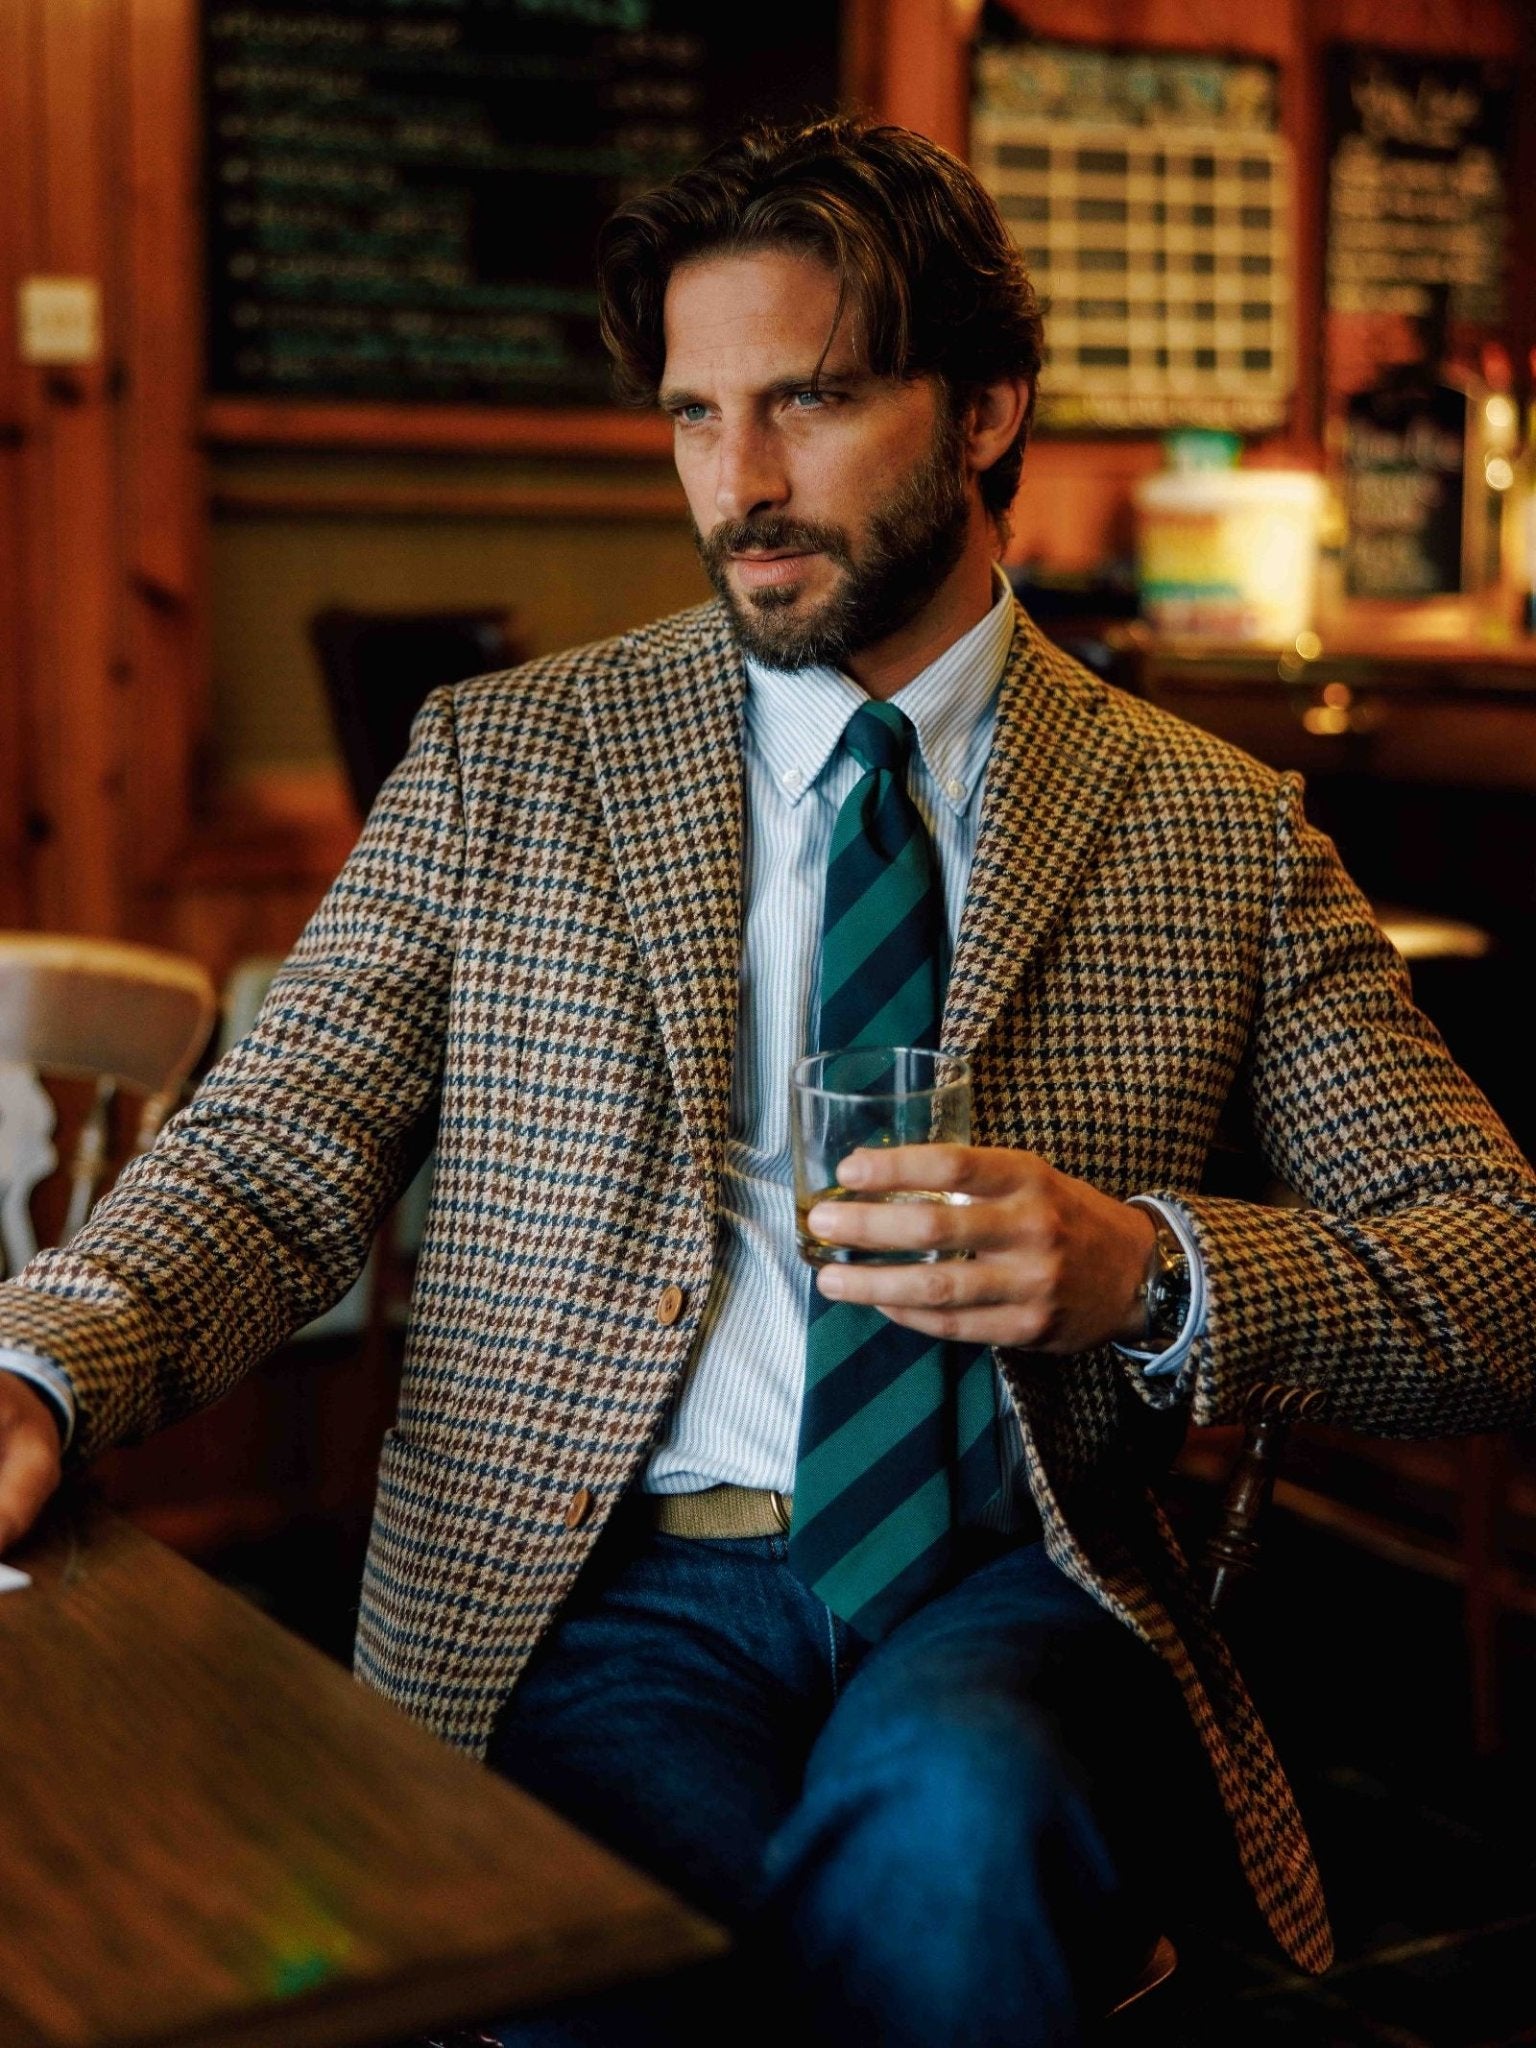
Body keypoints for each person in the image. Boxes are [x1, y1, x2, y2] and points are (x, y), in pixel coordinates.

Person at [2, 117, 1534, 2046]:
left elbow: (1500, 1268)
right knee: (643, 1951)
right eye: (693, 416)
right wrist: (38, 1366)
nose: (739, 486)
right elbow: (272, 1150)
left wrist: (1146, 1271)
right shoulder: (506, 762)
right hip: (596, 1580)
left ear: (985, 408)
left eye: (808, 400)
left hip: (1002, 1581)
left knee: (961, 1833)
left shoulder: (1214, 833)